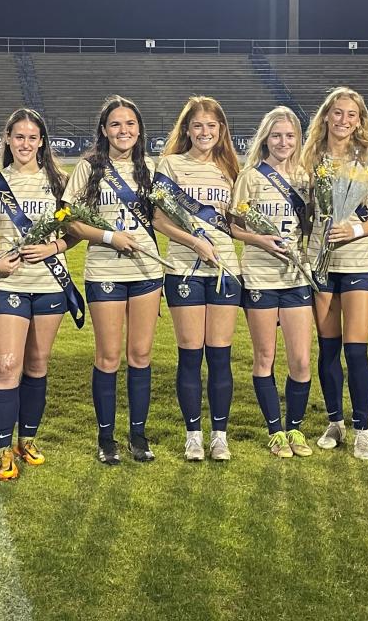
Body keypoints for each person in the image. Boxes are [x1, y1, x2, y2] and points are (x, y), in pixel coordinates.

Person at [0, 108, 82, 481]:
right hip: (10, 286)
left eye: (32, 137)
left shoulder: (60, 182)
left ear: (42, 141)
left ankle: (27, 438)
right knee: (7, 367)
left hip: (51, 284)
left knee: (37, 366)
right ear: (7, 139)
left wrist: (52, 249)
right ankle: (3, 448)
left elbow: (75, 233)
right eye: (18, 136)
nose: (25, 143)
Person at [62, 96, 162, 465]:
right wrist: (109, 237)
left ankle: (138, 434)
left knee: (140, 355)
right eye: (116, 124)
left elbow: (164, 218)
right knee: (107, 356)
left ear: (139, 129)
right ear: (104, 130)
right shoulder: (88, 168)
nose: (124, 131)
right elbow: (68, 219)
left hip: (147, 272)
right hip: (105, 269)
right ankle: (106, 438)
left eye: (130, 124)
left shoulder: (150, 168)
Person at [301, 87, 368, 460]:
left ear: (360, 120)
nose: (343, 120)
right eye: (337, 113)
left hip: (358, 260)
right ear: (326, 116)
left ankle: (363, 429)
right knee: (328, 348)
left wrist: (354, 229)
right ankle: (335, 421)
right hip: (318, 261)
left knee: (356, 350)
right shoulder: (307, 158)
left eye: (351, 115)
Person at [153, 96, 241, 462]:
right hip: (183, 269)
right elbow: (158, 219)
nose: (205, 132)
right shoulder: (170, 165)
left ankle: (219, 435)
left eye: (212, 126)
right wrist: (194, 242)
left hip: (225, 271)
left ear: (221, 130)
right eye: (198, 126)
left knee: (220, 357)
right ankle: (193, 435)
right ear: (186, 129)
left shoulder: (231, 168)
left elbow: (237, 224)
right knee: (190, 356)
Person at [230, 106, 315, 459]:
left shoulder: (308, 178)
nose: (283, 142)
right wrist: (259, 240)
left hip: (296, 277)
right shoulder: (250, 176)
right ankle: (275, 431)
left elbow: (312, 226)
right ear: (266, 138)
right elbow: (233, 226)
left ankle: (295, 428)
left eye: (290, 135)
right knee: (264, 357)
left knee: (301, 361)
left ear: (298, 139)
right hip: (260, 276)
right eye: (277, 135)